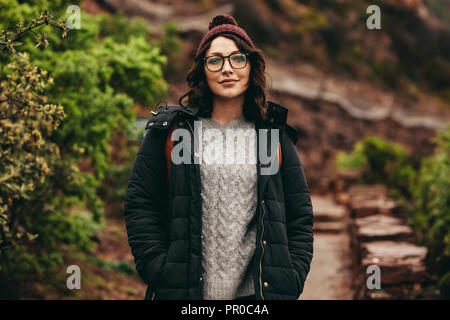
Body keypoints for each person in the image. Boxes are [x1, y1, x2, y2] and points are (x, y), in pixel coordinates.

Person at [124, 13, 314, 300]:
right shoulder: (175, 132)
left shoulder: (270, 135)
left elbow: (299, 215)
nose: (227, 69)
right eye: (215, 60)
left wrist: (292, 275)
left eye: (237, 58)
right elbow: (141, 203)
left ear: (251, 66)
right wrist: (159, 270)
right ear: (203, 70)